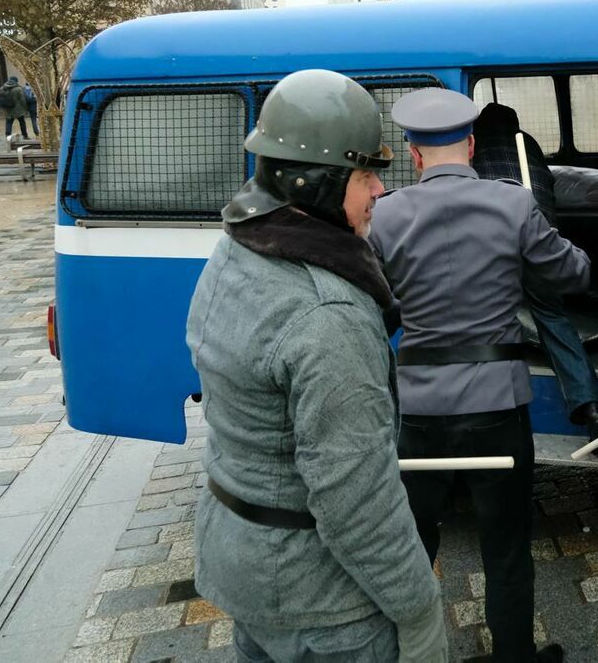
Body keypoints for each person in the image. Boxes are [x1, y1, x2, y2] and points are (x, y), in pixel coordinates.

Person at [186, 69, 447, 663]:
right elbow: (356, 499)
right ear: (318, 184)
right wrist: (420, 608)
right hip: (322, 601)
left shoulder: (236, 248)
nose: (380, 190)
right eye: (364, 175)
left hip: (243, 562)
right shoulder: (327, 312)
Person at [370, 88, 590, 663]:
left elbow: (373, 304)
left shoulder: (385, 214)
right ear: (470, 144)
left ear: (414, 154)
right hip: (497, 408)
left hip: (419, 413)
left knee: (416, 548)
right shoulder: (513, 205)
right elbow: (573, 274)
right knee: (507, 549)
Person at [472, 100, 598, 457]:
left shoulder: (471, 152)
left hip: (492, 251)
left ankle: (488, 420)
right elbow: (547, 190)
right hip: (541, 242)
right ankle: (591, 411)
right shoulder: (529, 146)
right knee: (553, 321)